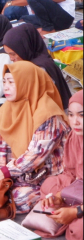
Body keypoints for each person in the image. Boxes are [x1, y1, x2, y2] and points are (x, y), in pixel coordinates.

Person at [0, 61, 69, 213]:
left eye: (12, 82)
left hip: (37, 178)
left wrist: (3, 173)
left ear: (27, 83)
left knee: (18, 198)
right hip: (10, 173)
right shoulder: (8, 107)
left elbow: (36, 154)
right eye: (4, 82)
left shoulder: (48, 114)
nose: (6, 86)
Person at [38, 91, 83, 240]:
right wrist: (60, 196)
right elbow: (71, 173)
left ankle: (72, 215)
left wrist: (76, 212)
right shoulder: (75, 136)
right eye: (71, 115)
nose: (75, 121)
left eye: (82, 115)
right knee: (49, 185)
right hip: (80, 188)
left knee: (79, 229)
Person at [2, 23, 72, 108]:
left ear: (25, 48)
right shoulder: (31, 64)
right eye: (9, 54)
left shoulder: (39, 68)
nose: (11, 59)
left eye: (13, 54)